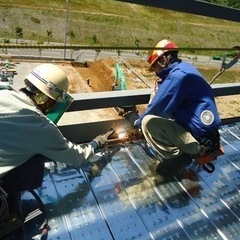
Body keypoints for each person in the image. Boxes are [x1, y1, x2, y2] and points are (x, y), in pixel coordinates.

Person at [0, 63, 112, 237]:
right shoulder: (40, 126)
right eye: (54, 103)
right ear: (49, 100)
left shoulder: (4, 92)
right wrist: (97, 143)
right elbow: (75, 156)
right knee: (36, 160)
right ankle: (5, 218)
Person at [134, 39, 221, 175]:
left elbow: (158, 108)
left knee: (148, 122)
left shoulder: (178, 77)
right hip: (207, 137)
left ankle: (178, 158)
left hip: (198, 141)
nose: (155, 72)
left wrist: (137, 124)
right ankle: (188, 151)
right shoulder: (185, 69)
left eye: (155, 67)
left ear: (163, 60)